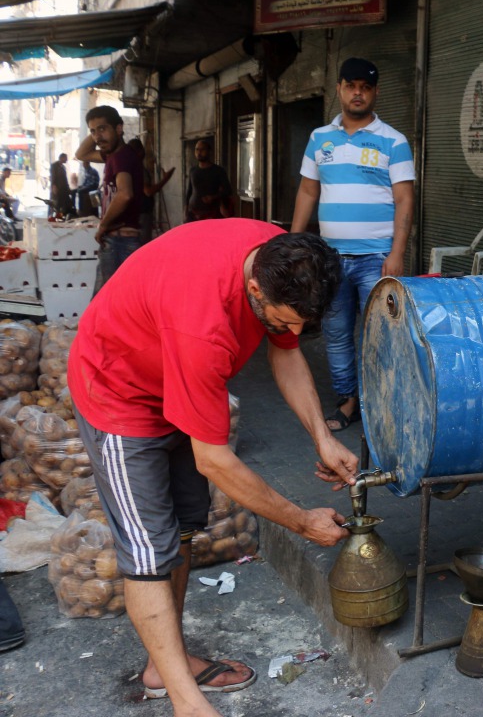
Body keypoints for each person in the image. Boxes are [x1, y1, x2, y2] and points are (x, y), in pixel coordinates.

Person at [66, 219, 359, 717]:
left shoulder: (282, 258)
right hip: (120, 396)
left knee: (180, 531)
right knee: (148, 553)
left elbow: (285, 353)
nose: (290, 334)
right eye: (281, 321)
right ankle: (187, 703)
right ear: (252, 289)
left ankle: (166, 665)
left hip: (175, 380)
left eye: (301, 326)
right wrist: (301, 521)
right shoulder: (201, 323)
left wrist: (323, 436)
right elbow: (215, 460)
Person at [290, 57, 416, 432]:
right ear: (340, 89)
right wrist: (296, 245)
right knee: (337, 334)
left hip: (376, 258)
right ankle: (348, 402)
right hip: (331, 259)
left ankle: (383, 402)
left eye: (365, 86)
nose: (357, 92)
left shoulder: (394, 141)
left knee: (383, 334)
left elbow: (405, 199)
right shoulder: (319, 139)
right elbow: (308, 190)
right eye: (350, 85)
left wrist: (396, 253)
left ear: (375, 92)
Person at [75, 105, 146, 291]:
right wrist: (98, 135)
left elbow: (125, 194)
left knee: (106, 303)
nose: (98, 136)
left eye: (103, 128)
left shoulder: (122, 157)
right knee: (113, 303)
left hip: (120, 241)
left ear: (119, 128)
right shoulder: (112, 156)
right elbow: (80, 154)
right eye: (93, 131)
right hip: (119, 241)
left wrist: (103, 226)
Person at [126, 137, 176, 245]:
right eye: (141, 149)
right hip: (142, 213)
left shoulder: (129, 168)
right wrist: (165, 179)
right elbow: (148, 191)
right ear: (139, 152)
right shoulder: (139, 169)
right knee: (142, 245)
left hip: (135, 212)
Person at [184, 139, 233, 222]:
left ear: (209, 151)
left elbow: (228, 190)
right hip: (193, 213)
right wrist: (185, 209)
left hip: (211, 213)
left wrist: (213, 197)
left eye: (202, 149)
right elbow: (189, 191)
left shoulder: (218, 170)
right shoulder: (193, 170)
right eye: (197, 149)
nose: (199, 152)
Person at [50, 153, 75, 218]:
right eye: (65, 158)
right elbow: (53, 177)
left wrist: (68, 187)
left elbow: (65, 178)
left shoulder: (63, 167)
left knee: (66, 204)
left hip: (63, 189)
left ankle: (63, 216)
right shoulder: (54, 166)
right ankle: (53, 217)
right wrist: (54, 186)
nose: (66, 160)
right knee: (56, 204)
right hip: (57, 188)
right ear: (62, 158)